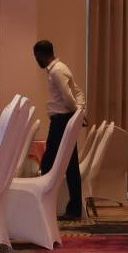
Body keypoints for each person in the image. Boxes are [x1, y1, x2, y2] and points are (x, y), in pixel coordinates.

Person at [33, 39, 85, 222]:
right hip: (64, 120)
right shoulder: (62, 67)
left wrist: (76, 112)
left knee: (48, 163)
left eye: (36, 57)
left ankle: (42, 205)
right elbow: (78, 92)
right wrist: (79, 111)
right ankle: (74, 208)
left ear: (41, 54)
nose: (36, 61)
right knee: (70, 165)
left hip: (61, 122)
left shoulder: (56, 71)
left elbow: (68, 96)